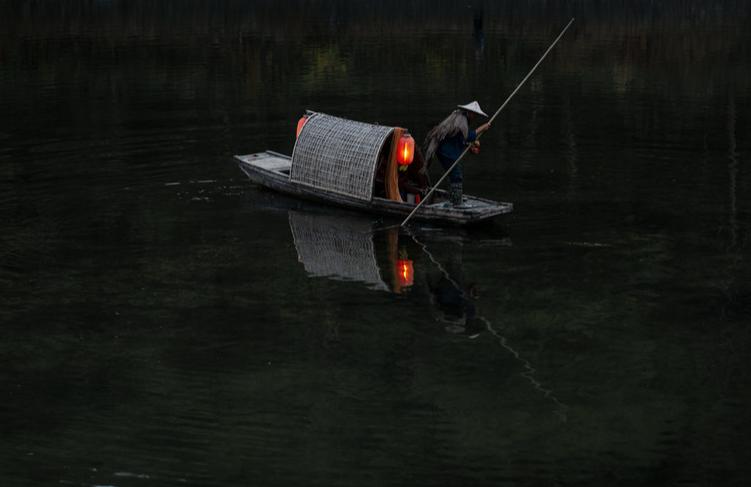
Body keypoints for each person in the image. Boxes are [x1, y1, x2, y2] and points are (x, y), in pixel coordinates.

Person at [423, 101, 491, 206]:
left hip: (446, 151)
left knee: (453, 174)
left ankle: (453, 197)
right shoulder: (461, 120)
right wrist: (482, 129)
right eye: (474, 115)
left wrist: (467, 145)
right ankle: (457, 202)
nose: (475, 117)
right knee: (457, 175)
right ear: (469, 113)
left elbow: (459, 136)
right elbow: (469, 136)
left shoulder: (461, 119)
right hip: (446, 152)